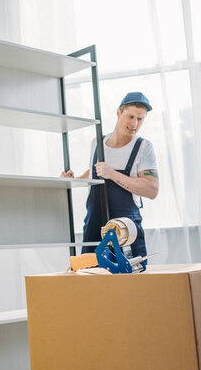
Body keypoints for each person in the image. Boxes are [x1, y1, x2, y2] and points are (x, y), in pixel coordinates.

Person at [61, 92, 159, 261]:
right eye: (131, 116)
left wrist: (112, 174)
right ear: (119, 113)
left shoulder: (143, 147)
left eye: (140, 119)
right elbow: (94, 172)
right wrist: (73, 180)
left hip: (126, 230)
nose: (134, 123)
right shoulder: (97, 143)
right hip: (94, 226)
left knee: (132, 281)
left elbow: (152, 189)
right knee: (91, 277)